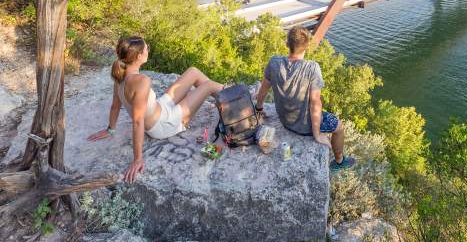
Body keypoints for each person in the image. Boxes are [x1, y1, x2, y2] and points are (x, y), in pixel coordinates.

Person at [88, 36, 223, 182]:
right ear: (139, 56)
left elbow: (115, 106)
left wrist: (110, 129)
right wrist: (137, 159)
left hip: (161, 108)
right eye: (147, 48)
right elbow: (137, 121)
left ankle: (227, 96)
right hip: (165, 123)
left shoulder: (120, 77)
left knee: (193, 72)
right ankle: (235, 98)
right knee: (208, 86)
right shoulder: (142, 81)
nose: (148, 50)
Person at [255, 26, 355, 172]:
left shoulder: (274, 62)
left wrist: (258, 108)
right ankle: (339, 161)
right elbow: (315, 103)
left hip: (285, 120)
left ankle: (337, 159)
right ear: (307, 46)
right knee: (339, 127)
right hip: (304, 126)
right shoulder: (312, 68)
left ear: (287, 44)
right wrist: (317, 135)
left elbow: (263, 88)